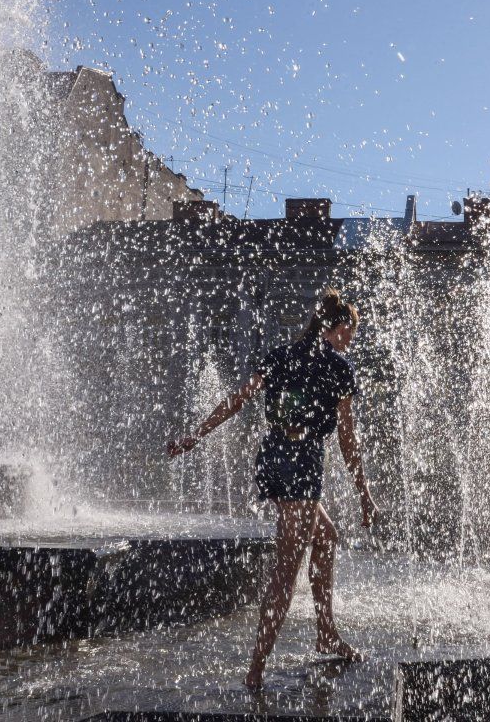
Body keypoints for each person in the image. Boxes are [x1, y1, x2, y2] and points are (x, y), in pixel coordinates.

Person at [167, 288, 379, 691]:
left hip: (274, 458)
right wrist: (364, 493)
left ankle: (326, 632)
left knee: (326, 538)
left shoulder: (282, 355)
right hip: (301, 466)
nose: (349, 341)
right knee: (286, 572)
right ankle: (256, 668)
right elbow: (349, 441)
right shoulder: (338, 368)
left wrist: (195, 435)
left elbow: (238, 399)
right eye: (348, 333)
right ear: (334, 329)